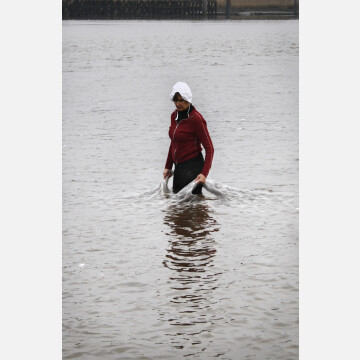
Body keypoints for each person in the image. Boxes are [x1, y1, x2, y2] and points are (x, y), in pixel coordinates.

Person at [163, 82, 214, 194]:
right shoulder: (174, 116)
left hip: (193, 168)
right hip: (179, 168)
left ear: (188, 99)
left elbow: (209, 148)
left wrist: (204, 174)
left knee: (193, 206)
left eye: (181, 100)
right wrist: (168, 166)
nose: (178, 103)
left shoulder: (196, 119)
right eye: (176, 100)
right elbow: (174, 142)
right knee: (177, 207)